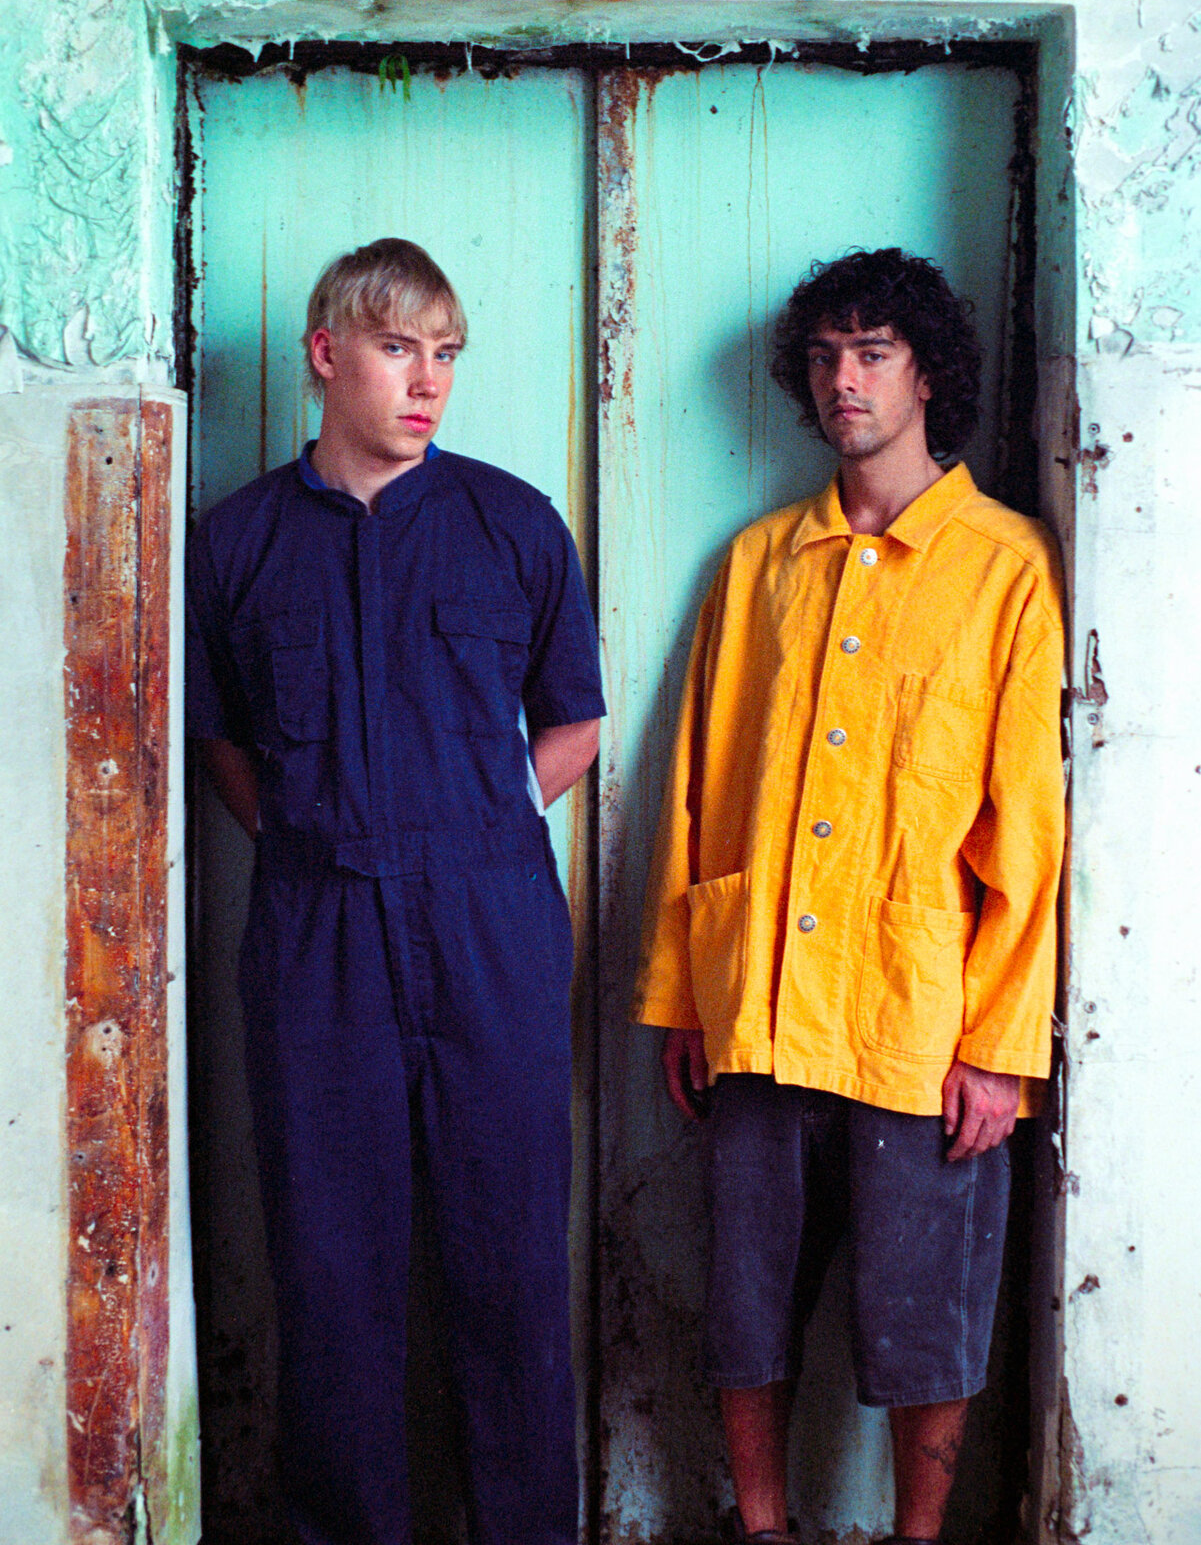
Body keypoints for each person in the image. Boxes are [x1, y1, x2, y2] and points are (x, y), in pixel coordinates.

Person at [634, 248, 1064, 1544]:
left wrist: (999, 1051)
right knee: (746, 1300)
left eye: (872, 353)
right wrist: (683, 998)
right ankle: (762, 1530)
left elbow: (1028, 830)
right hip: (759, 1000)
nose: (844, 380)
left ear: (927, 373)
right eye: (825, 357)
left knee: (927, 1306)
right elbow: (696, 792)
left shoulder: (1004, 566)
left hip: (915, 1018)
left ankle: (917, 1537)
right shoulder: (757, 564)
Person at [186, 238, 604, 1545]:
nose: (428, 382)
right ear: (326, 356)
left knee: (511, 1258)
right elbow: (222, 744)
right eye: (397, 349)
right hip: (317, 930)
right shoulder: (236, 544)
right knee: (329, 1261)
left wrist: (472, 822)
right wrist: (316, 836)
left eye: (446, 355)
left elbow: (575, 725)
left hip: (490, 924)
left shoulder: (513, 525)